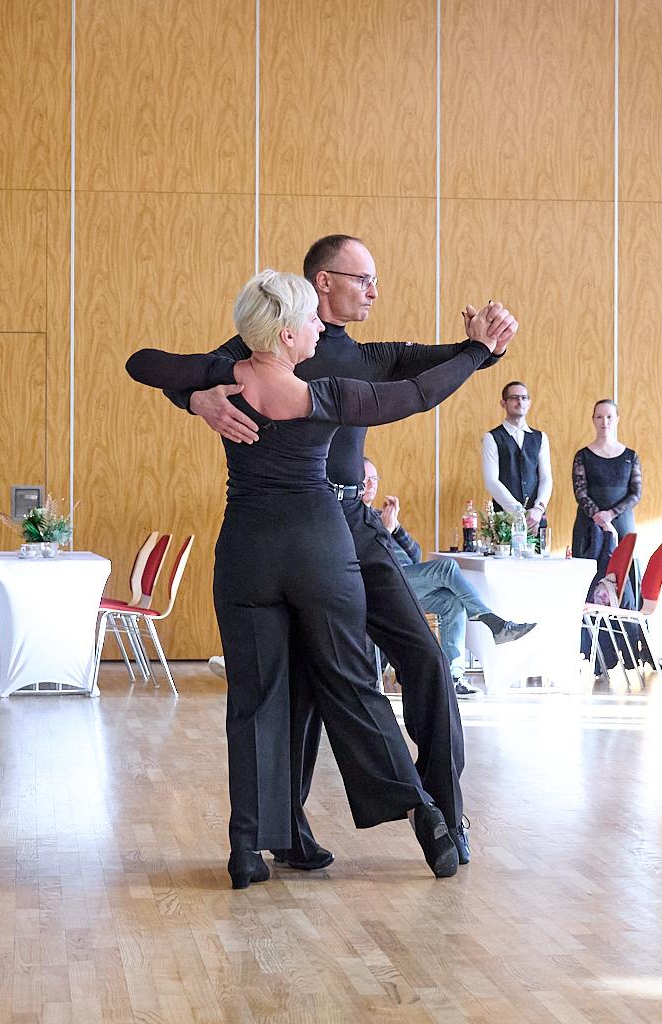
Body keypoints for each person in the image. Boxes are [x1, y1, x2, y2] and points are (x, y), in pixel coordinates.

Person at [127, 269, 512, 887]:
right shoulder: (326, 393)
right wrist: (475, 353)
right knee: (351, 683)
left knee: (253, 701)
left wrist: (202, 396)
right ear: (286, 333)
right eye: (310, 321)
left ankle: (248, 851)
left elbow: (141, 362)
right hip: (319, 549)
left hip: (247, 553)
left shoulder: (226, 377)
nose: (318, 329)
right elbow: (417, 393)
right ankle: (424, 813)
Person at [362, 459, 536, 696]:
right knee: (447, 568)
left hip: (405, 580)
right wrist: (385, 530)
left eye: (375, 478)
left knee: (451, 602)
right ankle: (494, 623)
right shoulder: (354, 516)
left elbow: (415, 555)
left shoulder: (380, 514)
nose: (371, 483)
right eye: (366, 478)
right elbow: (368, 559)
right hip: (382, 585)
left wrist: (397, 527)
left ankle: (453, 678)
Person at [571, 399, 642, 554]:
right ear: (593, 419)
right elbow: (580, 493)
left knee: (622, 574)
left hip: (622, 523)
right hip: (588, 524)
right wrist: (600, 518)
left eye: (609, 417)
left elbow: (636, 494)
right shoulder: (582, 455)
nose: (604, 421)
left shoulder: (631, 456)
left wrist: (610, 514)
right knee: (588, 574)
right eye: (599, 417)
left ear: (617, 419)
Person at [482, 381, 552, 533]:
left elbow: (546, 477)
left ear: (529, 403)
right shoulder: (492, 437)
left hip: (536, 518)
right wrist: (518, 511)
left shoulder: (540, 437)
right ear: (503, 403)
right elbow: (491, 481)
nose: (520, 402)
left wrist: (539, 508)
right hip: (505, 518)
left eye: (524, 398)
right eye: (514, 397)